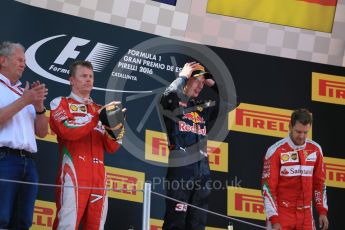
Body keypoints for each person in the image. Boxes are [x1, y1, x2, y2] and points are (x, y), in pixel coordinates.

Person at [49, 60, 125, 229]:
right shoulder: (61, 103)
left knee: (96, 226)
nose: (88, 79)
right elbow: (67, 131)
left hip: (98, 177)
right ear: (72, 80)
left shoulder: (100, 109)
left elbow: (112, 148)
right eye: (83, 76)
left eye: (91, 76)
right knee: (67, 225)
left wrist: (118, 128)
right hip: (74, 173)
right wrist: (94, 118)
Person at [160, 62, 221, 230]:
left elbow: (233, 100)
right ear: (188, 79)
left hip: (203, 173)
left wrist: (212, 82)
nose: (201, 86)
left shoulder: (202, 108)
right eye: (198, 81)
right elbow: (169, 94)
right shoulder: (172, 103)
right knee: (175, 223)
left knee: (197, 225)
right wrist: (183, 76)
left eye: (203, 83)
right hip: (181, 171)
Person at [0, 41, 48, 229]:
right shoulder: (23, 95)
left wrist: (38, 107)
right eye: (19, 59)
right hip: (4, 160)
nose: (23, 64)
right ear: (3, 60)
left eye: (25, 61)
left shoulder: (24, 92)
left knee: (22, 222)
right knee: (1, 219)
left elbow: (43, 133)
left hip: (29, 163)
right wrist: (24, 101)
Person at [261, 108, 329, 230]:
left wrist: (322, 211)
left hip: (306, 215)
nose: (302, 136)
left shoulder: (316, 150)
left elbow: (320, 184)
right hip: (282, 214)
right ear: (290, 127)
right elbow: (268, 189)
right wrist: (274, 220)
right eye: (298, 132)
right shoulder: (275, 151)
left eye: (305, 132)